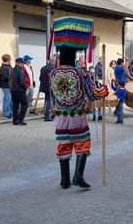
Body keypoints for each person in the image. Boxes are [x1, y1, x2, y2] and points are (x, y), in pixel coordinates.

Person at [51, 46, 104, 189]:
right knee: (82, 142)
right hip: (77, 115)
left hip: (62, 117)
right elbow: (93, 94)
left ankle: (64, 180)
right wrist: (104, 90)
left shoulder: (54, 73)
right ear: (73, 57)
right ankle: (78, 177)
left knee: (64, 144)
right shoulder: (79, 73)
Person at [10, 58, 28, 126]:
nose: (23, 65)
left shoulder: (12, 70)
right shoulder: (20, 70)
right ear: (20, 63)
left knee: (15, 105)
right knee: (25, 104)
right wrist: (25, 88)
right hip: (19, 90)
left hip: (13, 90)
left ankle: (15, 120)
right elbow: (22, 82)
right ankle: (20, 119)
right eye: (23, 63)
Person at [39, 56, 56, 122]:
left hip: (44, 87)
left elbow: (40, 78)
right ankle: (47, 116)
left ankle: (51, 115)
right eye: (55, 61)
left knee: (47, 101)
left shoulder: (43, 68)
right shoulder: (53, 69)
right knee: (50, 102)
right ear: (53, 61)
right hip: (50, 87)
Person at [0, 54, 13, 119]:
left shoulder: (9, 66)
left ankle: (11, 113)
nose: (10, 60)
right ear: (7, 59)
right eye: (10, 58)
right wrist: (12, 77)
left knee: (11, 100)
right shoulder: (3, 67)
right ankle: (5, 114)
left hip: (11, 85)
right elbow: (4, 77)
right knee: (7, 99)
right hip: (6, 85)